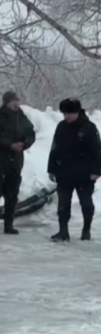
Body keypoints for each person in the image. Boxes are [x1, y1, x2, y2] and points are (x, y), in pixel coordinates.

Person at [48, 98, 101, 242]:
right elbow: (54, 148)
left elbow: (97, 151)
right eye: (65, 113)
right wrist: (51, 168)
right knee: (63, 205)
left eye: (70, 113)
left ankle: (86, 230)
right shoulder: (61, 126)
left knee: (86, 203)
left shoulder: (89, 128)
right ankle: (63, 231)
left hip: (84, 173)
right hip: (64, 171)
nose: (67, 116)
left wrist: (96, 171)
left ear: (78, 112)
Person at [0, 91, 36, 234]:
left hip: (16, 161)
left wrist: (25, 143)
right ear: (6, 103)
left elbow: (30, 133)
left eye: (17, 100)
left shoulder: (21, 117)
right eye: (12, 101)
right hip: (1, 159)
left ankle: (9, 225)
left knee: (12, 194)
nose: (15, 103)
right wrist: (10, 145)